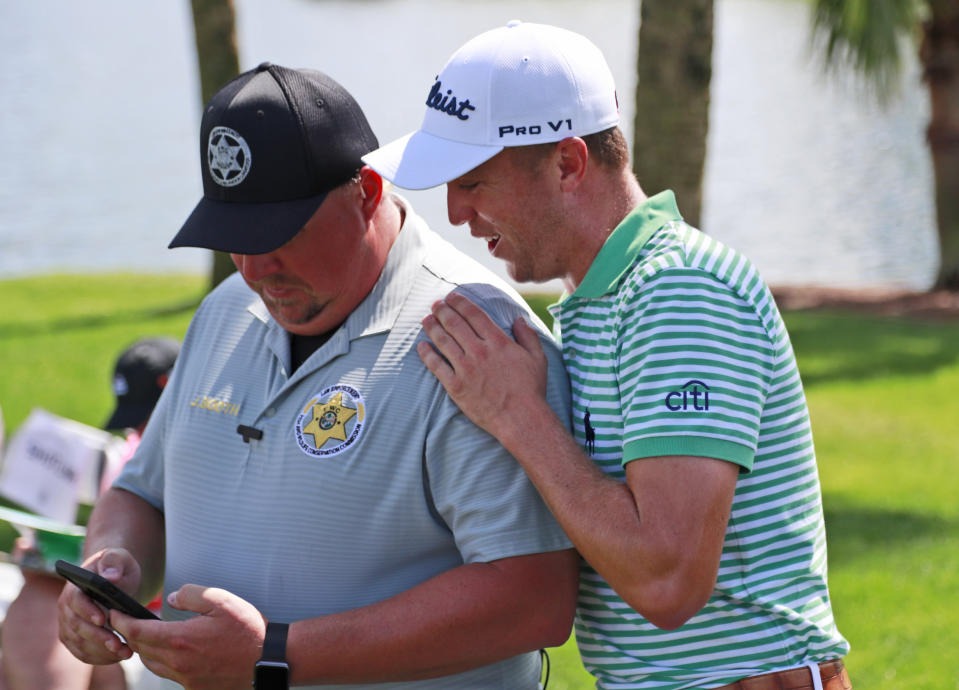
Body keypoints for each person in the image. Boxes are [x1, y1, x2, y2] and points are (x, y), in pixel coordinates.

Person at [363, 20, 853, 690]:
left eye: (472, 181)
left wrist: (517, 414)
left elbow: (666, 580)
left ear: (567, 163)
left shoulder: (679, 290)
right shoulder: (606, 302)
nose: (454, 213)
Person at [57, 62, 578, 690]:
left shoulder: (479, 335)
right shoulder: (225, 310)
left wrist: (274, 655)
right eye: (233, 237)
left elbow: (532, 600)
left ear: (368, 192)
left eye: (282, 234)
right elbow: (142, 494)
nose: (255, 268)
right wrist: (112, 567)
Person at [1, 337, 179, 690]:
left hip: (158, 609)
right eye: (134, 422)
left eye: (148, 419)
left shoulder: (189, 457)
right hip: (120, 606)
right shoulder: (133, 449)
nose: (139, 432)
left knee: (42, 602)